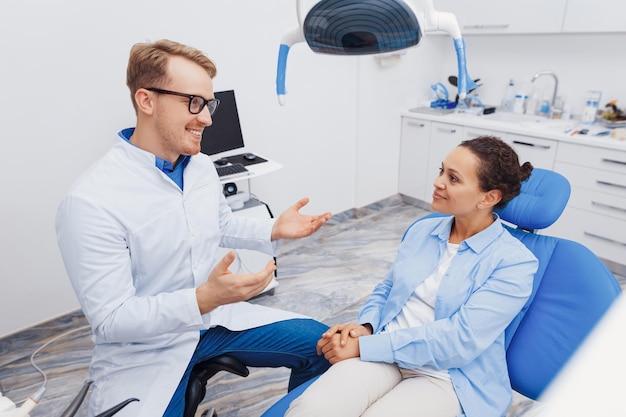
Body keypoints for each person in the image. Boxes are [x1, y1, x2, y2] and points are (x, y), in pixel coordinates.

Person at [55, 39, 331, 417]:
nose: (207, 118)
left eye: (209, 104)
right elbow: (112, 321)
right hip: (143, 351)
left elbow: (218, 225)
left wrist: (273, 229)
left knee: (327, 347)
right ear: (146, 101)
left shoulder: (199, 165)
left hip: (213, 322)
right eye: (194, 103)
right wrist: (202, 298)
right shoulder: (90, 202)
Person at [285, 136, 538, 417]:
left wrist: (367, 345)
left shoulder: (514, 263)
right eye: (441, 171)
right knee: (311, 410)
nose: (438, 182)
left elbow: (459, 341)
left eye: (453, 179)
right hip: (383, 352)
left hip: (446, 376)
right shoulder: (423, 231)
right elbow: (388, 288)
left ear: (489, 197)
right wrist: (366, 327)